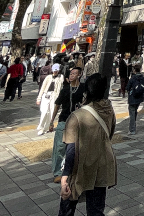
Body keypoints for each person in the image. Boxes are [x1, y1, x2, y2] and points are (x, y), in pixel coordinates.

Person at [57, 73, 117, 216]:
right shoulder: (109, 110)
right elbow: (110, 134)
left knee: (67, 208)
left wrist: (65, 176)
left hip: (80, 166)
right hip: (102, 165)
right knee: (96, 210)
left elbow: (71, 150)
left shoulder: (77, 116)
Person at [50, 66, 86, 183]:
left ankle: (72, 171)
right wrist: (51, 121)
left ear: (79, 75)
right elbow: (57, 105)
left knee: (75, 148)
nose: (71, 75)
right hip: (64, 120)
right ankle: (58, 172)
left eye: (74, 74)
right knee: (60, 147)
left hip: (77, 121)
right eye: (70, 74)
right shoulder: (65, 89)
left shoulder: (83, 88)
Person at [37, 63, 64, 136]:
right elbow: (42, 87)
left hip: (54, 95)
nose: (55, 72)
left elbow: (61, 86)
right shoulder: (48, 77)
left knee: (51, 112)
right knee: (44, 111)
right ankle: (41, 127)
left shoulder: (61, 77)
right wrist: (39, 98)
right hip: (46, 95)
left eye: (57, 70)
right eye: (54, 70)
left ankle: (47, 127)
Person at [126, 63, 144, 136]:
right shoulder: (143, 78)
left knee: (132, 113)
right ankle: (133, 126)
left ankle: (132, 130)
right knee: (134, 112)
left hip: (132, 98)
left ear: (134, 70)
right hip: (139, 98)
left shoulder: (132, 78)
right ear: (140, 69)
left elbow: (127, 88)